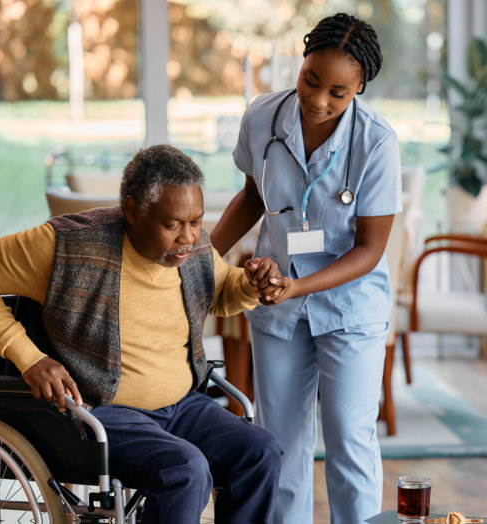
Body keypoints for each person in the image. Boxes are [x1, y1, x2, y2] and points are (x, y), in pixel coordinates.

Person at [0, 144, 282, 524]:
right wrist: (30, 358)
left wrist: (252, 284)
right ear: (133, 210)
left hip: (182, 405)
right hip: (101, 414)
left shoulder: (194, 246)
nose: (189, 238)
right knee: (184, 470)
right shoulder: (67, 245)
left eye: (196, 222)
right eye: (172, 225)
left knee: (260, 450)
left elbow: (218, 292)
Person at [210, 13, 402, 524]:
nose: (318, 101)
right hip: (277, 306)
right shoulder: (263, 118)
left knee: (348, 437)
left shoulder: (377, 143)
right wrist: (200, 257)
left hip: (350, 306)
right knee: (281, 442)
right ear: (301, 65)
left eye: (338, 92)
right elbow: (251, 197)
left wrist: (299, 286)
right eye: (310, 81)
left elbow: (369, 250)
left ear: (361, 87)